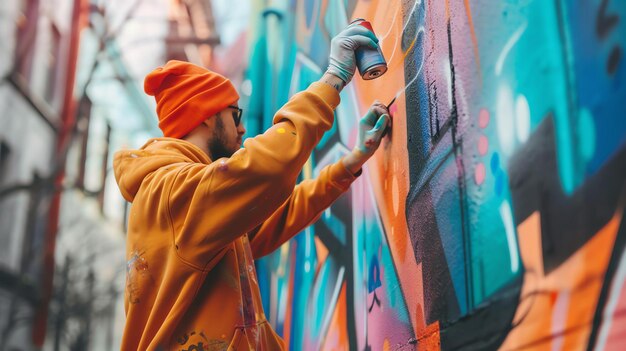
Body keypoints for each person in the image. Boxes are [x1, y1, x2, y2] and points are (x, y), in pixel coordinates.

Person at [113, 22, 390, 350]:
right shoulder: (172, 193)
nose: (242, 128)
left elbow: (272, 220)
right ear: (203, 116)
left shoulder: (201, 204)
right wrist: (333, 78)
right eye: (235, 114)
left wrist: (349, 164)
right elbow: (263, 168)